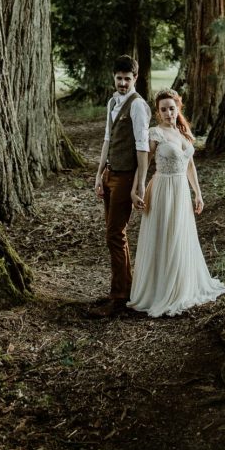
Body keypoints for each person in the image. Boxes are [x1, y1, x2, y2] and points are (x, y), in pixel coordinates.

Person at [128, 89, 225, 318]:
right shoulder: (156, 133)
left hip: (181, 190)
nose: (168, 113)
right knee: (164, 235)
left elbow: (190, 165)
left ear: (178, 108)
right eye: (163, 109)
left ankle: (182, 284)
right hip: (163, 189)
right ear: (158, 112)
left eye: (171, 108)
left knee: (180, 235)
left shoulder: (183, 133)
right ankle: (161, 290)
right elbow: (145, 163)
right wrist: (137, 188)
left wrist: (198, 194)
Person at [87, 55, 151, 318]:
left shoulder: (138, 106)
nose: (123, 83)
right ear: (114, 77)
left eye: (127, 79)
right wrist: (99, 173)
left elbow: (142, 148)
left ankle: (119, 297)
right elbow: (106, 139)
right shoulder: (113, 101)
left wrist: (140, 184)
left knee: (115, 234)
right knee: (115, 234)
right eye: (119, 78)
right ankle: (124, 288)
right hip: (111, 174)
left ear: (135, 78)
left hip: (126, 177)